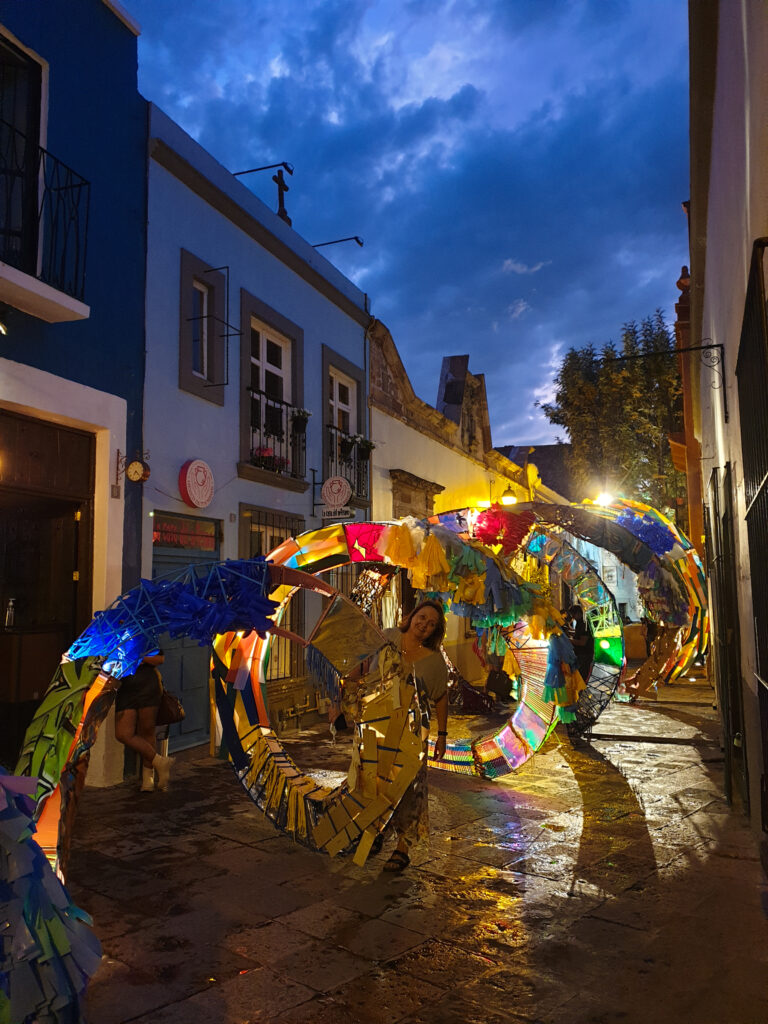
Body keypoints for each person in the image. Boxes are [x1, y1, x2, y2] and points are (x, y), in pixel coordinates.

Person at [378, 599, 449, 872]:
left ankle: (403, 847)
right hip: (380, 724)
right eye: (422, 617)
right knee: (378, 780)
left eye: (431, 624)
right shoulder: (387, 637)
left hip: (412, 732)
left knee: (408, 787)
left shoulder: (433, 660)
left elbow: (441, 697)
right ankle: (376, 831)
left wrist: (441, 735)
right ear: (412, 615)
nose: (424, 625)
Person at [114, 651, 174, 792]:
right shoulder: (115, 637)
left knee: (147, 730)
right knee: (122, 733)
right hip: (126, 687)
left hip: (148, 684)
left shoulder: (145, 634)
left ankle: (148, 778)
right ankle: (160, 761)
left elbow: (160, 659)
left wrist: (138, 657)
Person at [567, 605, 593, 682]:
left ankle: (580, 693)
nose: (573, 617)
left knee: (581, 678)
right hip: (580, 654)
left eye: (573, 615)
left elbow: (582, 642)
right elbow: (578, 635)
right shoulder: (579, 622)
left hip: (584, 655)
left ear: (578, 613)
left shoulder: (585, 624)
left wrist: (568, 640)